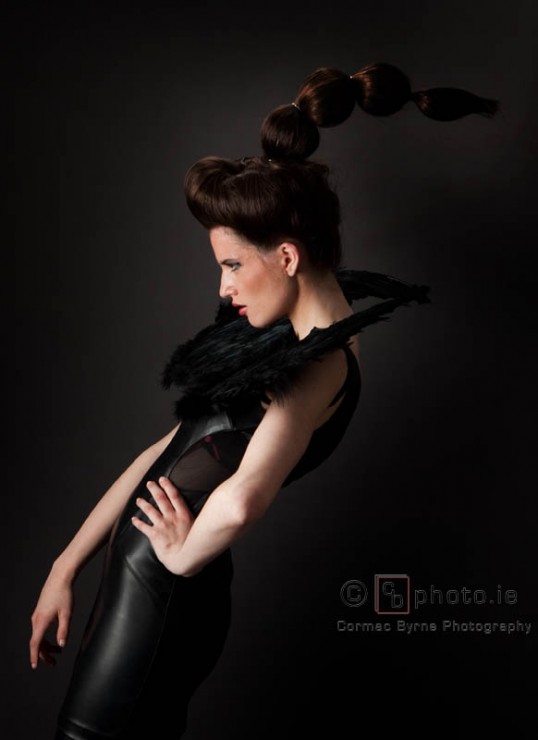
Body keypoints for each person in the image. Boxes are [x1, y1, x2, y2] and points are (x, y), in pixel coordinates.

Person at [29, 62, 498, 739]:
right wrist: (64, 565)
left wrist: (179, 558)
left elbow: (245, 498)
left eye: (230, 265)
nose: (223, 288)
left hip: (160, 596)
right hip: (147, 589)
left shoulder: (317, 363)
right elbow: (163, 454)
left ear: (286, 256)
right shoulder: (284, 340)